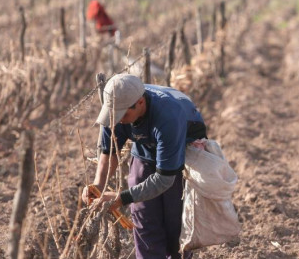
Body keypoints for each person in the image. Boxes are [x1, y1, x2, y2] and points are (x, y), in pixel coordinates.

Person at [82, 74, 206, 258]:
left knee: (175, 225)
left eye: (124, 114)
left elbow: (164, 179)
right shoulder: (115, 110)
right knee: (144, 220)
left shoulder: (168, 117)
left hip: (181, 149)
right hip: (145, 146)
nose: (119, 119)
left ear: (140, 102)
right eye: (114, 115)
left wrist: (121, 198)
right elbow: (109, 153)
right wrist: (98, 185)